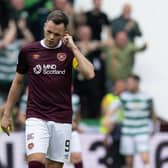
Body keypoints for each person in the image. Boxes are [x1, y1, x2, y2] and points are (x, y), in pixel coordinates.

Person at [1, 10, 95, 168]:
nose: (51, 37)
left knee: (54, 165)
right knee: (35, 162)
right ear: (45, 26)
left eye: (57, 34)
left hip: (62, 117)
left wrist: (73, 47)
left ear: (65, 33)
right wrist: (7, 114)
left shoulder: (69, 52)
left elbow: (90, 73)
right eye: (49, 32)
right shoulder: (28, 51)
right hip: (36, 116)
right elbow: (17, 83)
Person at [107, 74, 157, 168]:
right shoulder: (124, 97)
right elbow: (113, 109)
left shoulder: (147, 97)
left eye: (130, 83)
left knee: (145, 159)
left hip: (142, 131)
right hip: (127, 132)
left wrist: (155, 127)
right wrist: (108, 118)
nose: (128, 85)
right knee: (129, 162)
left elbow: (153, 113)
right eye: (127, 83)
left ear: (137, 83)